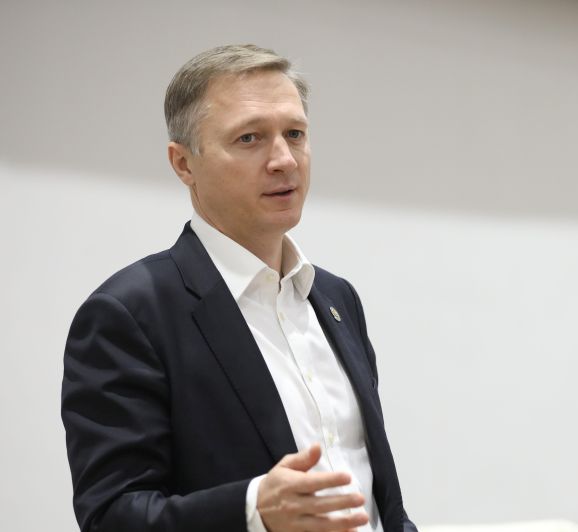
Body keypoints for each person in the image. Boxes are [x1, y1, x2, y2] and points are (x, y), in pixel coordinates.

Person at [61, 44, 416, 532]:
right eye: (249, 138)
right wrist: (252, 510)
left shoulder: (337, 300)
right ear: (183, 163)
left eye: (295, 134)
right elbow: (111, 516)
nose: (284, 160)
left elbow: (378, 498)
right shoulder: (129, 315)